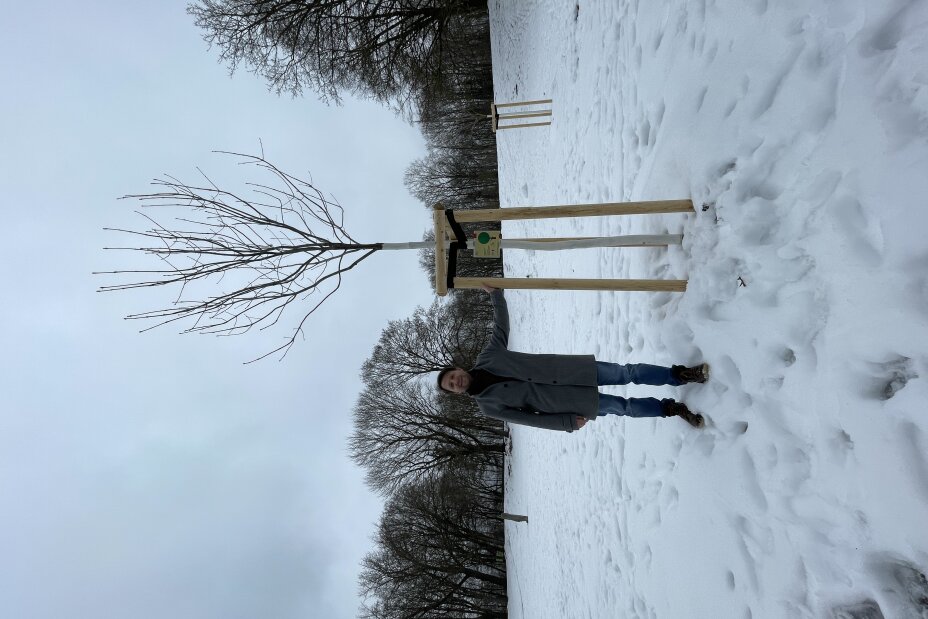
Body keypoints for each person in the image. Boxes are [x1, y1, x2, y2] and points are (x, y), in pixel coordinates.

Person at [436, 285, 708, 432]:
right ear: (456, 392)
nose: (456, 381)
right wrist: (564, 423)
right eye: (452, 386)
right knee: (623, 407)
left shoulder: (489, 356)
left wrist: (495, 296)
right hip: (566, 403)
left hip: (571, 370)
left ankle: (679, 375)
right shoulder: (488, 407)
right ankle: (670, 409)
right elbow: (528, 418)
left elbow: (501, 328)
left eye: (452, 376)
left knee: (628, 372)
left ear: (458, 369)